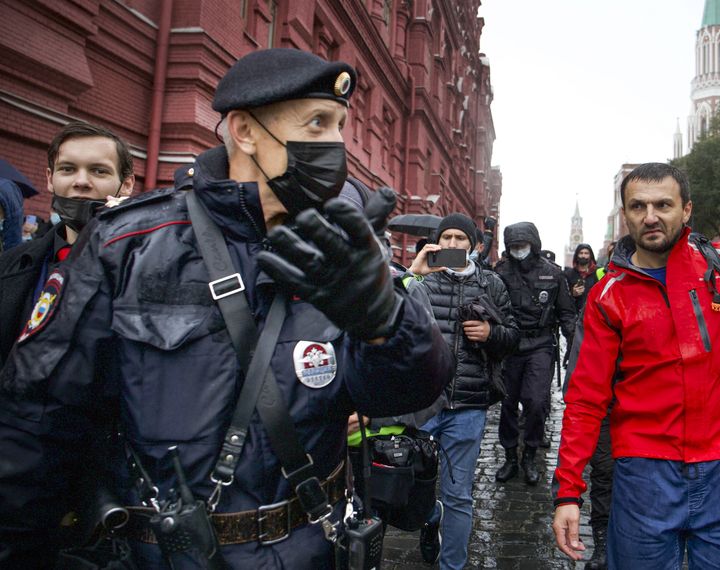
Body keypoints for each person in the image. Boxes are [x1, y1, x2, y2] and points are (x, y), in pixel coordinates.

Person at [0, 48, 453, 569]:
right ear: (244, 131)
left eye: (339, 127)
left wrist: (385, 322)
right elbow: (36, 423)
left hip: (312, 547)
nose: (334, 143)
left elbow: (411, 391)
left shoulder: (344, 247)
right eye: (316, 123)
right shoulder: (128, 244)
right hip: (164, 554)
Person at [552, 163, 720, 569]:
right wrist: (568, 491)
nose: (650, 216)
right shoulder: (607, 295)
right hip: (645, 474)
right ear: (626, 215)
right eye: (638, 206)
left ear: (686, 209)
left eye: (663, 204)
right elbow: (585, 399)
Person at [407, 212, 519, 570]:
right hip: (424, 403)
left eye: (460, 238)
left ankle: (451, 565)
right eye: (447, 238)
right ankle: (429, 519)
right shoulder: (423, 283)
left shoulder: (492, 285)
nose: (453, 244)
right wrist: (413, 274)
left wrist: (491, 335)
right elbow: (389, 324)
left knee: (458, 496)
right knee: (413, 486)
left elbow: (513, 337)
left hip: (469, 406)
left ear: (474, 245)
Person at [0, 122, 135, 367]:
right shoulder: (9, 266)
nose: (81, 181)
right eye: (68, 169)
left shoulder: (150, 265)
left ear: (126, 184)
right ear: (50, 179)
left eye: (99, 171)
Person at [494, 222, 576, 485]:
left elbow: (566, 313)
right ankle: (510, 457)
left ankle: (529, 454)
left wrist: (574, 346)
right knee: (506, 403)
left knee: (537, 401)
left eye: (523, 245)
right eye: (514, 246)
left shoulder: (553, 273)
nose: (519, 251)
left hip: (540, 345)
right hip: (509, 345)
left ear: (534, 245)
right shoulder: (501, 272)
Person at [563, 243, 598, 313]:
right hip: (575, 314)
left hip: (593, 313)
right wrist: (573, 293)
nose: (583, 256)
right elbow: (563, 298)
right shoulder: (568, 274)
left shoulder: (598, 273)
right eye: (581, 253)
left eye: (586, 253)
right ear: (576, 255)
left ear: (590, 255)